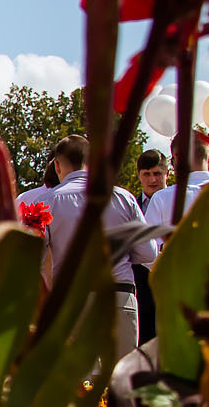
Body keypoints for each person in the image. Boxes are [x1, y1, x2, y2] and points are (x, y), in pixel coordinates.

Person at [39, 134, 160, 357]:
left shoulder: (48, 202)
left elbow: (36, 259)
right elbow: (148, 251)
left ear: (56, 165)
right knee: (122, 382)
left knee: (78, 384)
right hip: (118, 296)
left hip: (72, 300)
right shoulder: (122, 197)